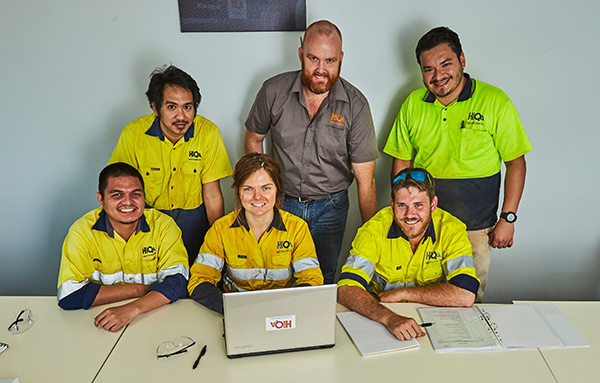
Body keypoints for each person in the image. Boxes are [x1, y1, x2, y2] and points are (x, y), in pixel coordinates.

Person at [383, 27, 532, 301]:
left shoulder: (495, 102)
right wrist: (404, 215)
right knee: (420, 297)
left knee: (466, 301)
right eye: (428, 69)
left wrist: (508, 218)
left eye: (446, 64)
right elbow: (401, 160)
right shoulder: (412, 105)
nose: (438, 76)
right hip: (425, 224)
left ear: (462, 60)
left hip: (475, 227)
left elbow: (516, 163)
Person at [244, 20, 378, 284]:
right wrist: (260, 194)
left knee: (324, 275)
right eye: (313, 58)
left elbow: (366, 181)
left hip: (331, 207)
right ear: (300, 54)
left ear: (341, 59)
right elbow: (253, 139)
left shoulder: (356, 105)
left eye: (329, 61)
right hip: (282, 202)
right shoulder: (273, 91)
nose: (320, 69)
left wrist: (371, 240)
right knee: (277, 275)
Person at [109, 65, 233, 266]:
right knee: (156, 288)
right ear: (155, 107)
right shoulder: (133, 134)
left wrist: (218, 242)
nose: (181, 116)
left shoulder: (208, 133)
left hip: (194, 223)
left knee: (197, 286)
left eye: (188, 107)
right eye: (171, 107)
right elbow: (122, 192)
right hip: (149, 223)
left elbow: (212, 194)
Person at [337, 167, 479, 340]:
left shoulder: (452, 230)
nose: (410, 214)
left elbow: (465, 294)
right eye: (402, 206)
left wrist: (404, 293)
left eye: (418, 205)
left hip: (434, 317)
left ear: (433, 205)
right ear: (392, 205)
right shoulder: (373, 230)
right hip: (382, 315)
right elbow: (345, 289)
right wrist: (388, 318)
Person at [57, 163, 189, 332]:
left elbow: (177, 283)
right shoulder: (81, 232)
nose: (128, 202)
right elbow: (69, 296)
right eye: (117, 195)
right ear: (101, 199)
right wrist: (139, 289)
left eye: (136, 194)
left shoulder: (164, 225)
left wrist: (131, 309)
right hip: (98, 322)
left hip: (156, 317)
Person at [188, 153, 324, 314]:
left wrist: (284, 309)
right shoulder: (220, 229)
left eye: (266, 188)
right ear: (238, 191)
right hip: (236, 313)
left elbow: (312, 280)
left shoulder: (297, 228)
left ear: (277, 190)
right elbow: (199, 280)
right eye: (248, 189)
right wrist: (233, 311)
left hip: (285, 312)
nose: (257, 196)